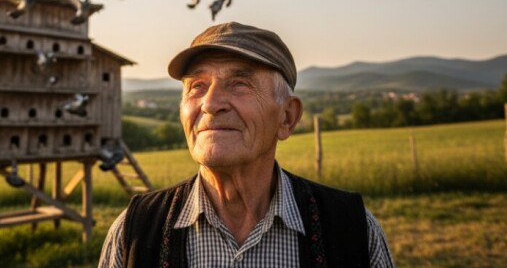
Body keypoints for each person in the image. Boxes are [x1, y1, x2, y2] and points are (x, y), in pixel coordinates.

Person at [99, 21, 394, 267]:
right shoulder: (134, 232)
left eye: (240, 84)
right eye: (196, 87)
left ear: (287, 117)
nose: (211, 104)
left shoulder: (351, 229)